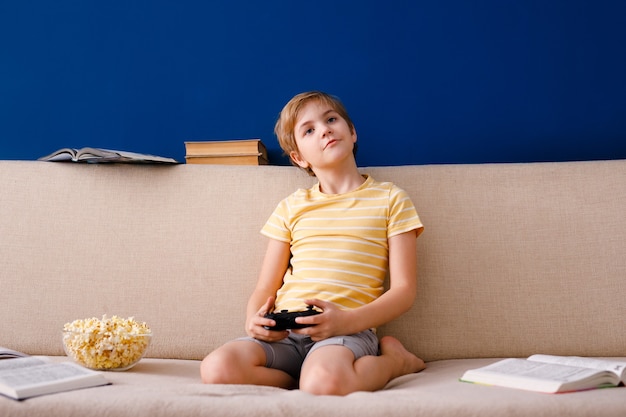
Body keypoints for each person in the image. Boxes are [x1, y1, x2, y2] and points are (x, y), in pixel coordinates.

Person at [200, 91, 425, 395]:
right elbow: (266, 288)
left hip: (347, 331)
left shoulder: (391, 199)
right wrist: (253, 320)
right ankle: (304, 378)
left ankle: (395, 362)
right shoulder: (292, 206)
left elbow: (403, 292)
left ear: (352, 131)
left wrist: (345, 322)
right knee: (216, 369)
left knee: (324, 383)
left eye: (331, 119)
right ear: (298, 157)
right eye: (309, 130)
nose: (325, 129)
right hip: (287, 333)